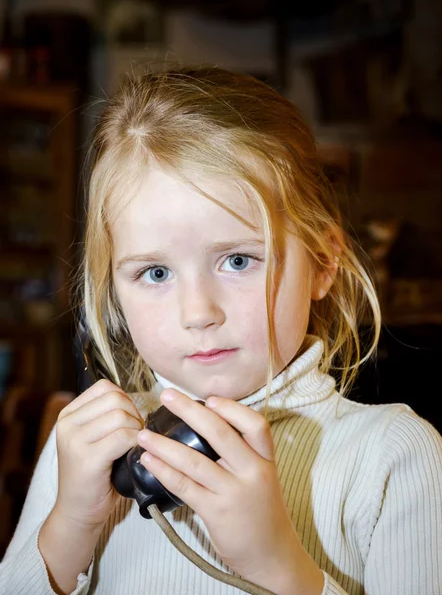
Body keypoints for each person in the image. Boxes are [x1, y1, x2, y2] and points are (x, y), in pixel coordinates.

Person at [1, 65, 441, 595]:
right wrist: (68, 527)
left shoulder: (394, 460)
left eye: (237, 260)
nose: (198, 312)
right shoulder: (90, 450)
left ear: (323, 261)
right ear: (113, 287)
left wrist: (281, 567)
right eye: (155, 273)